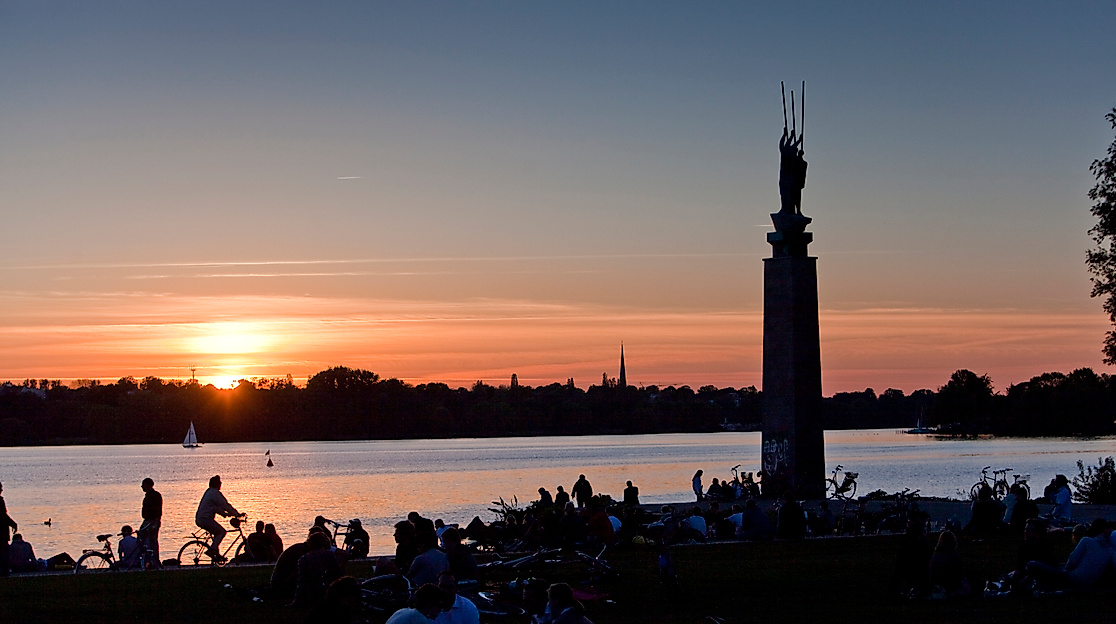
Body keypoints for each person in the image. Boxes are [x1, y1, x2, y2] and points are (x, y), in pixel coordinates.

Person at [195, 475, 241, 562]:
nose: (221, 484)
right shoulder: (215, 493)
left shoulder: (209, 492)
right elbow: (225, 505)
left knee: (217, 534)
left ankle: (216, 555)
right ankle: (212, 551)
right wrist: (236, 513)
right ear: (217, 484)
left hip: (201, 519)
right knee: (221, 532)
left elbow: (215, 508)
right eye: (220, 482)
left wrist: (225, 514)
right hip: (205, 519)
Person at [295, 532, 343, 608]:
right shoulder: (329, 555)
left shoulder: (303, 559)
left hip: (311, 595)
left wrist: (297, 600)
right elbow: (339, 574)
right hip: (329, 592)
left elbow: (302, 583)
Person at [928, 530, 967, 597]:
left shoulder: (936, 556)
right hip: (952, 586)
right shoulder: (955, 556)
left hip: (939, 586)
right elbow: (958, 574)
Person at [139, 477, 162, 567]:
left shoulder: (154, 495)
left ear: (148, 485)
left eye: (143, 485)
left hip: (152, 521)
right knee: (143, 538)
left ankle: (154, 561)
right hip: (149, 520)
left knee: (152, 541)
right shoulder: (149, 495)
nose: (142, 487)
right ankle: (147, 560)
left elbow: (156, 511)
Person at [1, 481, 17, 577]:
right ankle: (4, 572)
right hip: (2, 533)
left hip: (2, 532)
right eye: (0, 488)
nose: (2, 490)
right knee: (4, 552)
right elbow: (3, 515)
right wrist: (13, 523)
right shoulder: (0, 501)